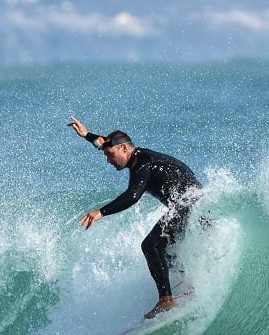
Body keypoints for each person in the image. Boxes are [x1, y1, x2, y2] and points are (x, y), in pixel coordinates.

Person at [68, 116, 202, 319]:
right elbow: (106, 142)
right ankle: (190, 285)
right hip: (192, 204)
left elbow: (133, 196)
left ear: (124, 149)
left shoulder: (142, 164)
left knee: (151, 245)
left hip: (187, 203)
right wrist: (87, 135)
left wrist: (101, 212)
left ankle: (166, 300)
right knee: (168, 249)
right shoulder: (138, 156)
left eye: (110, 155)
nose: (108, 160)